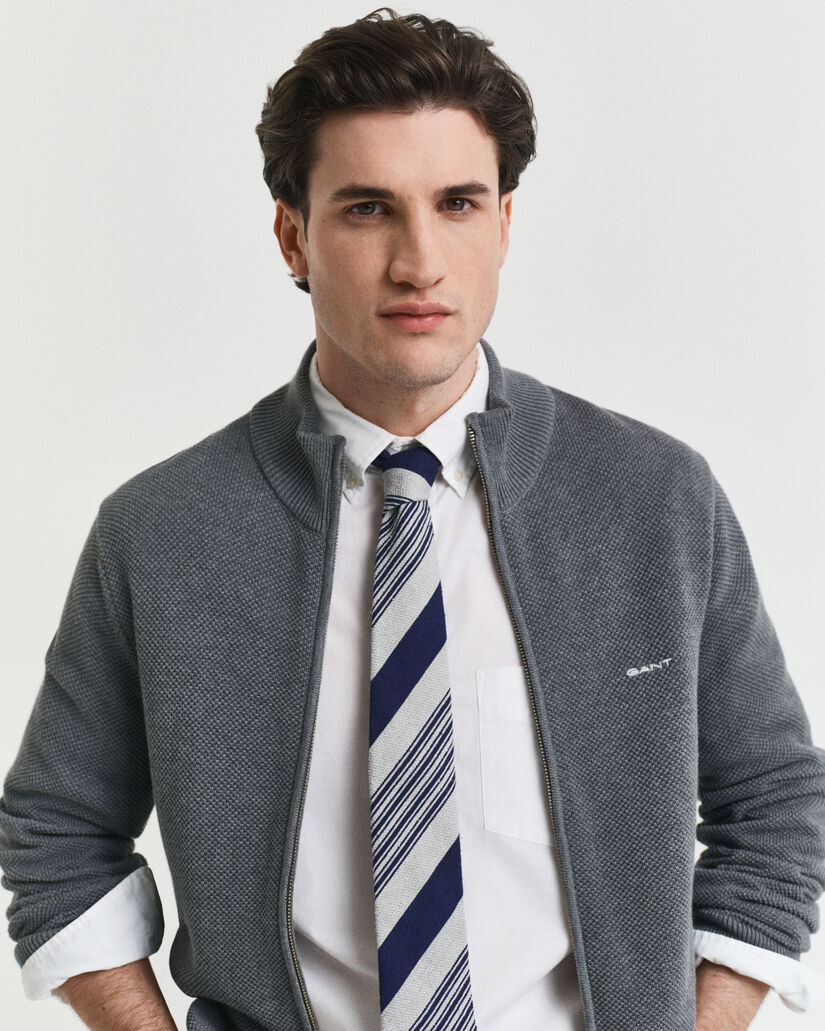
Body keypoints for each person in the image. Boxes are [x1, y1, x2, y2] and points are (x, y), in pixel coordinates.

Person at [1, 8, 824, 1031]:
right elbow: (57, 830)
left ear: (504, 224)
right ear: (293, 234)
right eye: (367, 209)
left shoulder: (653, 499)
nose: (419, 260)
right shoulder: (163, 533)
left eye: (458, 203)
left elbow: (776, 801)